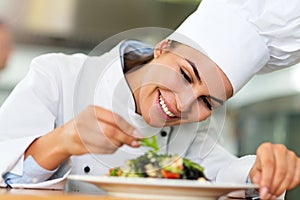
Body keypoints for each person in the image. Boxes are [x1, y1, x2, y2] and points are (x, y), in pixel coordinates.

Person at [0, 0, 299, 199]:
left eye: (208, 102)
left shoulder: (193, 130)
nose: (183, 105)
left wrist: (260, 172)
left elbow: (219, 175)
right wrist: (62, 141)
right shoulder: (57, 75)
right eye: (185, 75)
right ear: (162, 47)